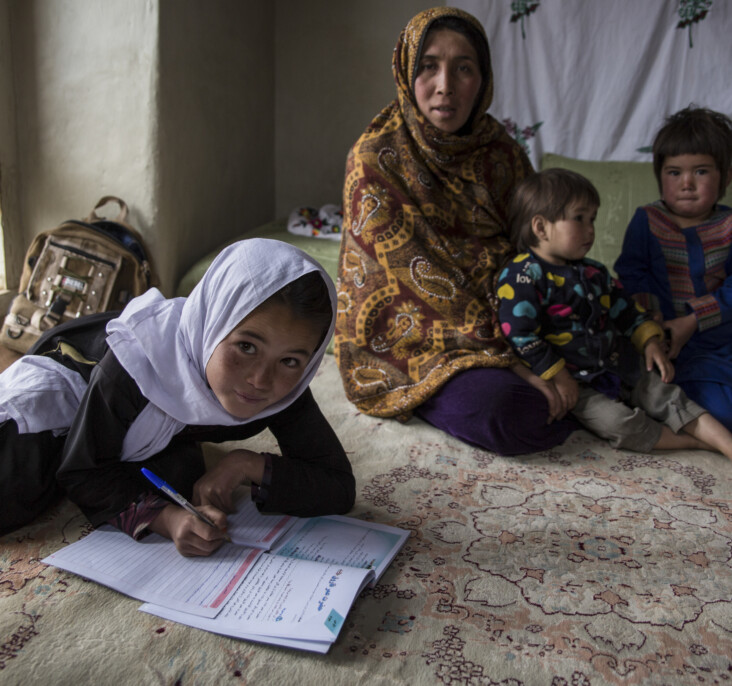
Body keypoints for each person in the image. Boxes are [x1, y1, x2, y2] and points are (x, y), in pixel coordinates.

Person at [0, 238, 355, 555]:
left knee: (181, 475)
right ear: (212, 324)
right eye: (246, 346)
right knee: (18, 490)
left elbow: (337, 485)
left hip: (157, 432)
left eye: (291, 360)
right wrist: (166, 519)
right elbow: (82, 471)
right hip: (73, 381)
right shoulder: (138, 361)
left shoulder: (284, 387)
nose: (261, 380)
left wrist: (246, 463)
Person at [335, 6, 575, 455]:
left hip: (513, 318)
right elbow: (413, 283)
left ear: (482, 80)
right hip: (418, 344)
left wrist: (540, 342)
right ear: (408, 72)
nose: (445, 86)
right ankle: (432, 393)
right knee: (504, 409)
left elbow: (532, 252)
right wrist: (520, 365)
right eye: (428, 67)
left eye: (463, 69)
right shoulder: (375, 158)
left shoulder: (502, 151)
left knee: (603, 352)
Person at [497, 168, 732, 459]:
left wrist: (649, 340)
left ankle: (727, 444)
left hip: (621, 363)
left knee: (667, 395)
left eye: (593, 219)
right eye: (579, 218)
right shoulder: (522, 274)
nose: (591, 228)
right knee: (619, 424)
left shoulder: (594, 271)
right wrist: (557, 375)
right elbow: (518, 332)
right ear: (541, 228)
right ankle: (697, 443)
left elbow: (627, 310)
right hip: (577, 381)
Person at [614, 106, 732, 431]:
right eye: (674, 172)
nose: (687, 184)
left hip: (722, 335)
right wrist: (655, 325)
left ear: (726, 176)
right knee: (714, 406)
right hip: (671, 346)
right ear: (660, 176)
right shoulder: (648, 221)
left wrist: (693, 319)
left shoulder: (729, 224)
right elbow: (632, 277)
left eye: (702, 171)